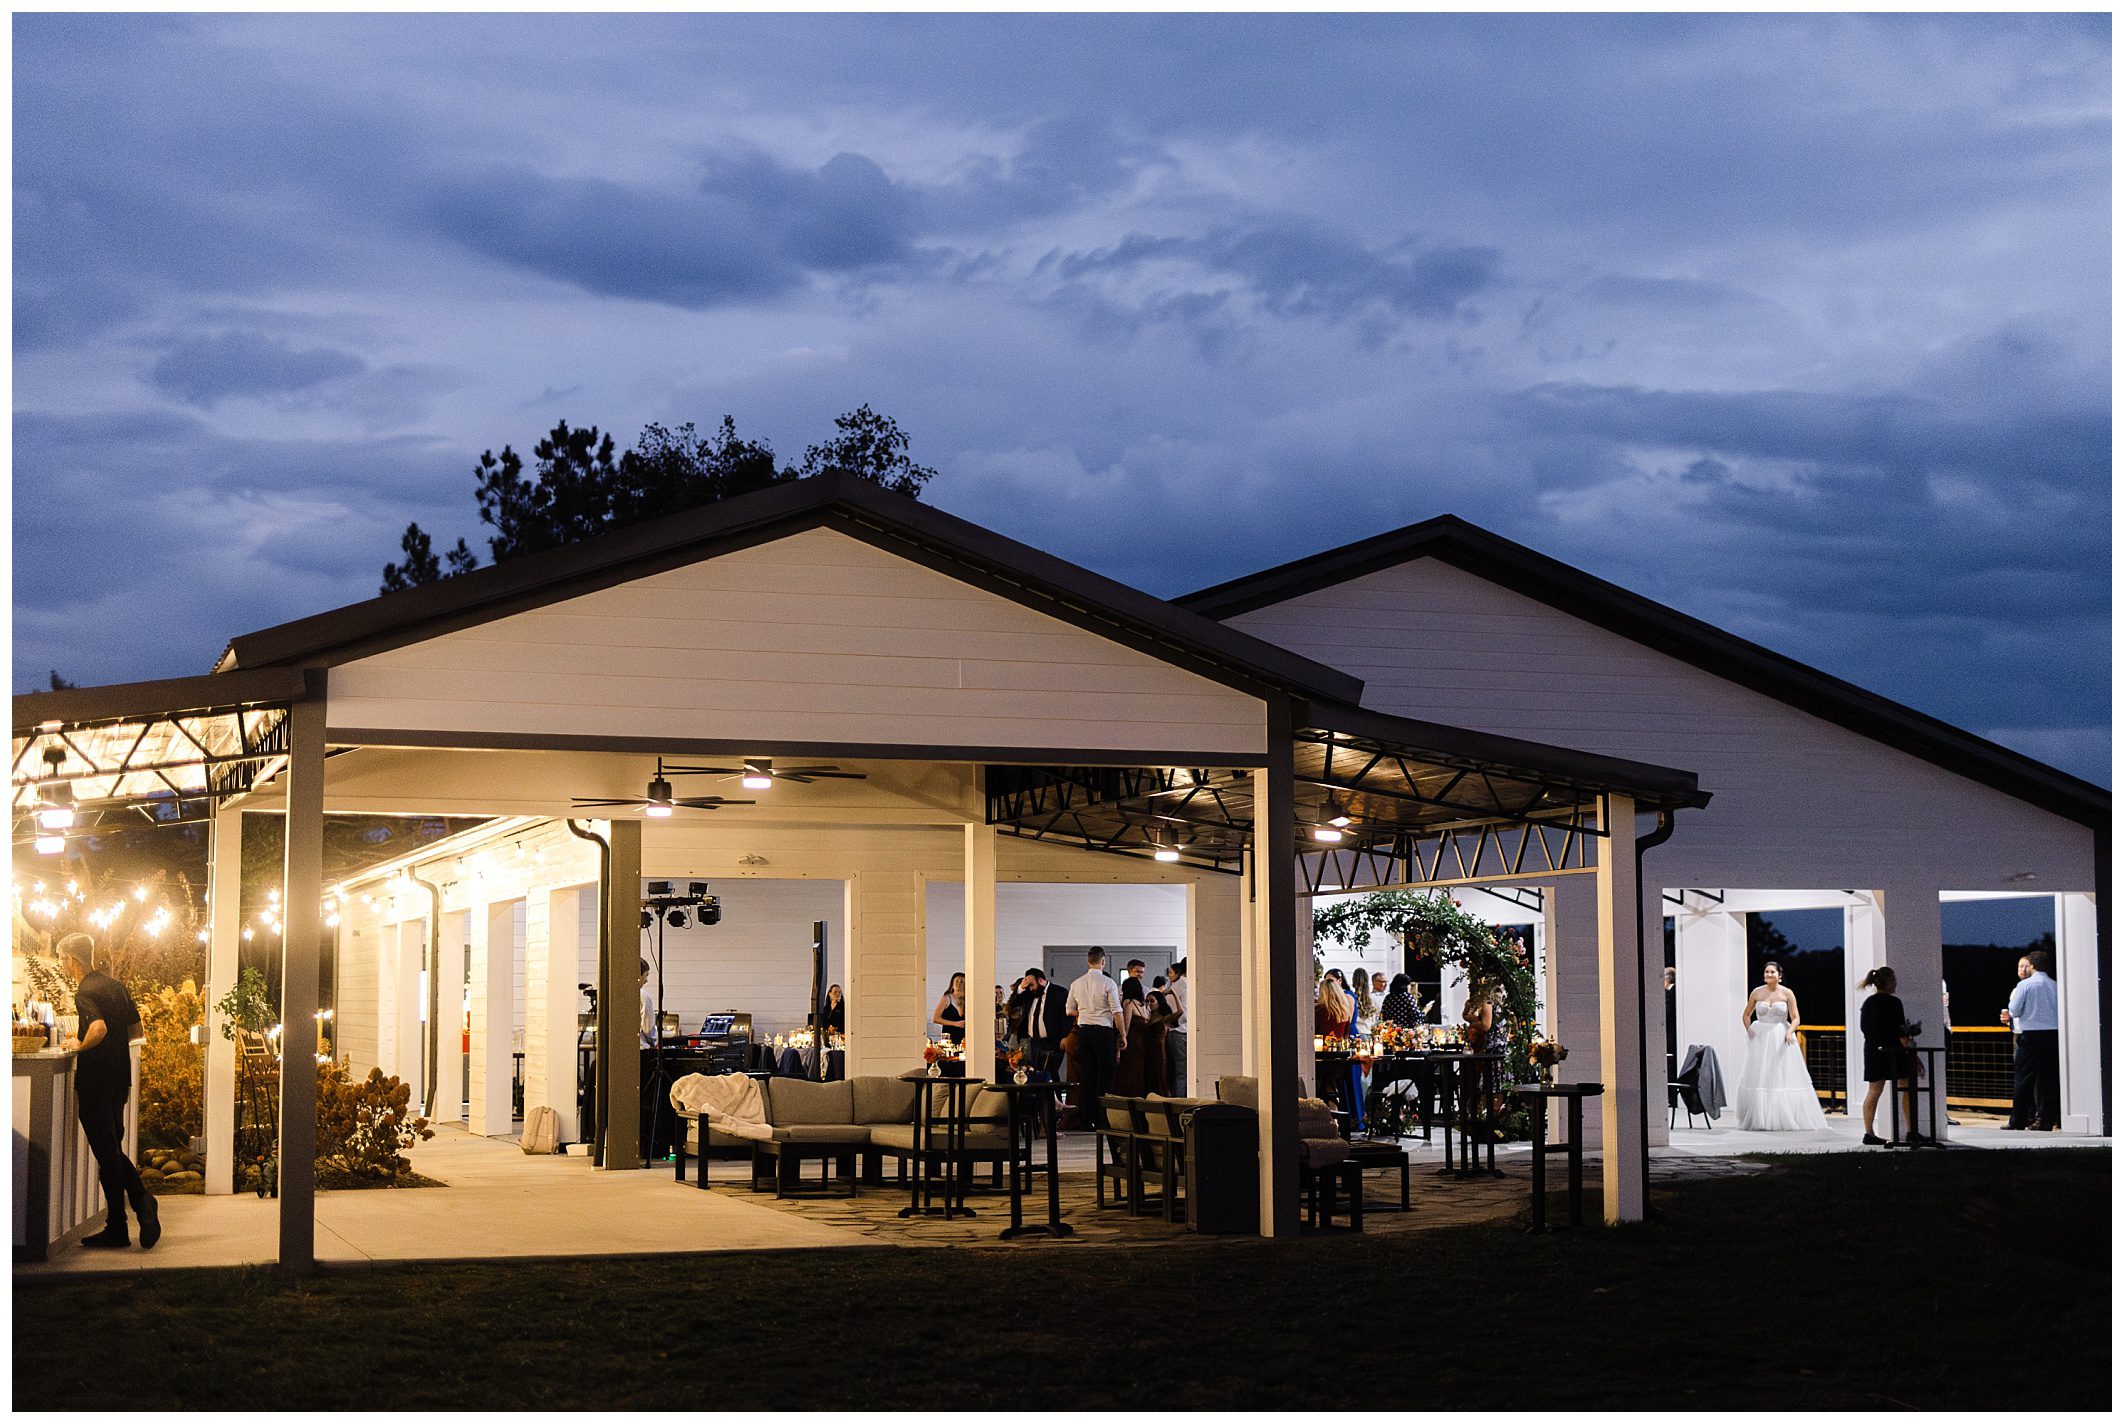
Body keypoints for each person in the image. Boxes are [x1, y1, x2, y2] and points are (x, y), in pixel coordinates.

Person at [57, 938, 158, 1250]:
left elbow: (98, 1029)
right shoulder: (117, 986)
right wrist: (110, 1046)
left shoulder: (85, 990)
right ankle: (117, 1227)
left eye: (61, 958)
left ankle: (142, 1199)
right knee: (110, 1150)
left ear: (72, 959)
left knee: (107, 1152)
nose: (61, 964)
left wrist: (79, 1044)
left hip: (96, 1080)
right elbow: (136, 1031)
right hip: (119, 1079)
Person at [1733, 961, 1827, 1131]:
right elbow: (1746, 1014)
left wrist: (1790, 1031)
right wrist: (1750, 1031)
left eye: (1772, 972)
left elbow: (1796, 1017)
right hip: (1761, 1037)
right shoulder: (1757, 992)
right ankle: (1760, 1117)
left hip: (1779, 1035)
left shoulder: (1787, 993)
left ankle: (1783, 1116)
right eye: (1767, 972)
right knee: (1761, 1074)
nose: (1769, 975)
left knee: (1779, 1075)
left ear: (1779, 975)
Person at [1859, 966, 1920, 1145]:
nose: (1896, 983)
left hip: (1873, 1050)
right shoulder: (1894, 1003)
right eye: (1894, 980)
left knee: (1874, 1091)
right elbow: (1900, 1033)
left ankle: (1869, 1132)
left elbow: (1865, 1028)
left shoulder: (1868, 1003)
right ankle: (1911, 1130)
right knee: (1906, 1087)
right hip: (1894, 1051)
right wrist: (1913, 1055)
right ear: (1888, 982)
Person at [2001, 950, 2059, 1131]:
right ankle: (2045, 1121)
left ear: (2032, 966)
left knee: (2024, 1079)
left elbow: (2015, 1010)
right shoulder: (2055, 985)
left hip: (2031, 1035)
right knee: (2047, 1080)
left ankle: (2018, 1120)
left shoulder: (2025, 985)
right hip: (2052, 1035)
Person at [1066, 947, 1123, 1129]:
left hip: (1084, 1032)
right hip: (1103, 1032)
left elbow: (1069, 1010)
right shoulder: (1108, 983)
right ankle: (1104, 1119)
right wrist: (1122, 1035)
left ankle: (1089, 1119)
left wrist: (1085, 1012)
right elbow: (1116, 1011)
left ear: (1088, 961)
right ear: (1103, 961)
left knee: (1088, 1076)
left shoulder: (1076, 983)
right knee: (1106, 1076)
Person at [1014, 969, 1070, 1076]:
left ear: (1040, 980)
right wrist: (1021, 987)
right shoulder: (1030, 993)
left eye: (1032, 985)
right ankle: (1041, 1093)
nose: (1030, 988)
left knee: (1049, 1073)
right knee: (1035, 1073)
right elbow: (1014, 1003)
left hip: (1053, 1041)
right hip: (1034, 1042)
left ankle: (1056, 1093)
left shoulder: (1059, 993)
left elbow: (1067, 1017)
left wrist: (1065, 1036)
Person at [1114, 976, 1161, 1096]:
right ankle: (1139, 1096)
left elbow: (1126, 1027)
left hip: (1132, 1042)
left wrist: (1119, 1045)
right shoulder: (1145, 1005)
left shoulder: (1128, 1003)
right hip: (1143, 1042)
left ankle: (1127, 1098)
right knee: (1139, 1071)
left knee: (1128, 1071)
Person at [1163, 958, 1189, 1095]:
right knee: (1183, 1071)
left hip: (1173, 1032)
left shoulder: (1172, 987)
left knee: (1177, 1070)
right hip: (1183, 1031)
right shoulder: (1186, 985)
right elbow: (1185, 1013)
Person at [930, 971, 966, 1046]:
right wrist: (955, 1024)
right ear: (952, 984)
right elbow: (936, 1019)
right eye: (957, 981)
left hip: (966, 1037)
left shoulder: (969, 1000)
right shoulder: (947, 998)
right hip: (950, 1037)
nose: (959, 983)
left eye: (961, 981)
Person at [1315, 972, 1353, 1038]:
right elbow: (1346, 1034)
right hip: (1338, 1046)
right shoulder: (1344, 1010)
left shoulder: (1319, 1010)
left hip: (1321, 1046)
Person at [638, 957, 655, 1047]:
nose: (646, 980)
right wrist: (654, 1041)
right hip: (641, 1050)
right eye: (646, 975)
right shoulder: (643, 996)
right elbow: (648, 1028)